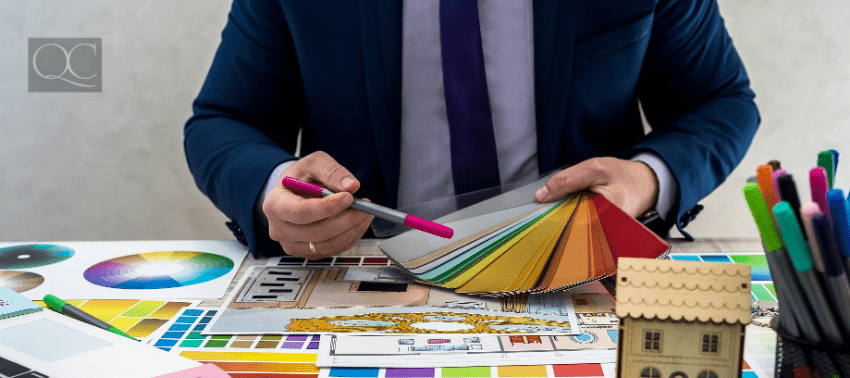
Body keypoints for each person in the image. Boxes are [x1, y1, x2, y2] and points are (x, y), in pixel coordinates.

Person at [185, 0, 759, 258]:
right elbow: (224, 121)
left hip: (580, 274)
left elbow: (719, 101)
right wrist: (276, 187)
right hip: (366, 270)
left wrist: (646, 179)